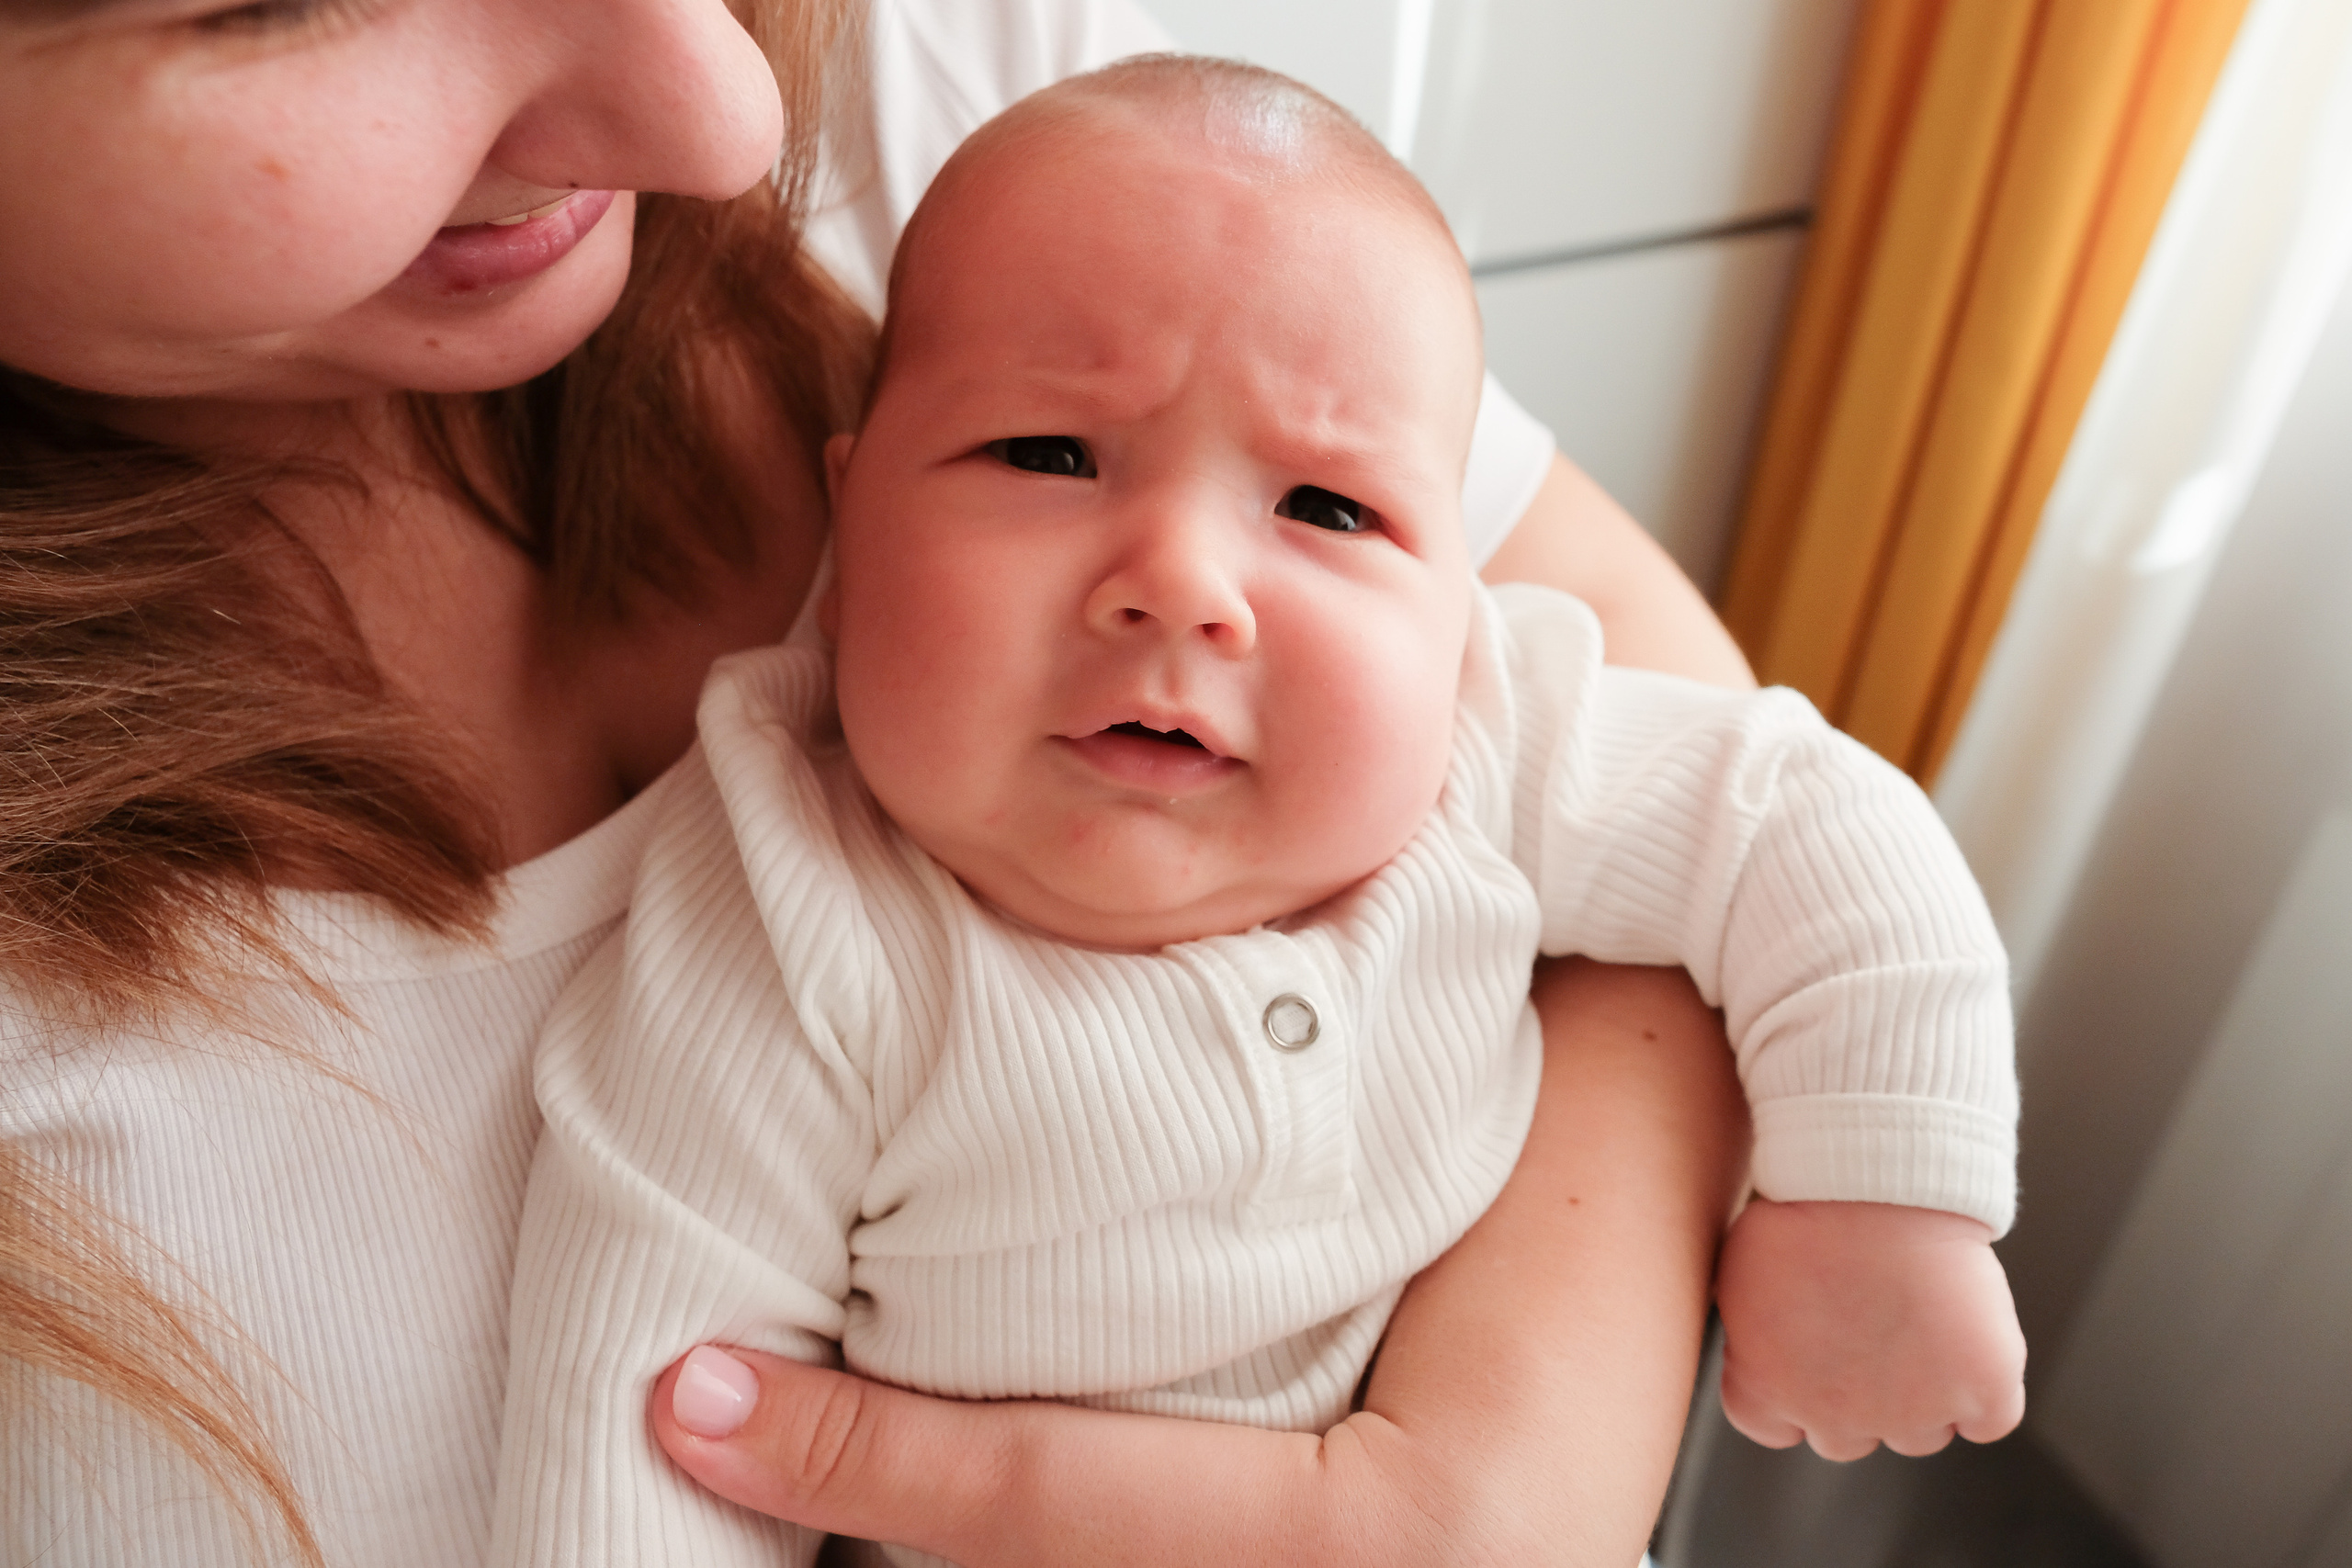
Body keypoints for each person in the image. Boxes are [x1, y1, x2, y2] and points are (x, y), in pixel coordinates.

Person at [1, 1, 1755, 1565]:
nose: (730, 119)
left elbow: (1700, 745)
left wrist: (1505, 1488)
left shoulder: (975, 74)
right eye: (291, 12)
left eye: (1317, 511)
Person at [492, 56, 2026, 1568]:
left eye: (1328, 508)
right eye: (1050, 453)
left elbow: (1805, 824)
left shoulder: (1483, 732)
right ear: (850, 519)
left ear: (1454, 584)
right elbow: (634, 1428)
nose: (1182, 582)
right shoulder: (792, 911)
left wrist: (1883, 1196)